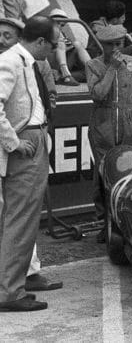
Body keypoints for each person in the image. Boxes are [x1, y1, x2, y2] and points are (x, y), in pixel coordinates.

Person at [0, 16, 59, 312]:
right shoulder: (12, 61)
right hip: (25, 144)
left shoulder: (25, 61)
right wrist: (13, 142)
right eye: (53, 45)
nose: (54, 50)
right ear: (40, 42)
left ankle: (16, 283)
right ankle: (9, 292)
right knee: (20, 219)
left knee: (25, 217)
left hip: (34, 139)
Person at [86, 25, 132, 243]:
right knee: (104, 175)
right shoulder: (93, 64)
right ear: (102, 45)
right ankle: (107, 224)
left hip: (128, 124)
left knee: (131, 171)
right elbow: (98, 94)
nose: (115, 48)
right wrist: (112, 68)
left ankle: (129, 224)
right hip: (102, 125)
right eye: (110, 44)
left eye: (119, 44)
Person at [90, 0, 132, 64]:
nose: (124, 19)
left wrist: (129, 36)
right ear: (115, 20)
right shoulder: (97, 25)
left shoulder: (114, 25)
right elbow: (107, 37)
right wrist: (125, 35)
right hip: (103, 56)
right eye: (123, 17)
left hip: (114, 53)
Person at [47, 9, 94, 86]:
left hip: (61, 67)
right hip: (51, 66)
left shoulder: (62, 34)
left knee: (77, 44)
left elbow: (68, 48)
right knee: (61, 42)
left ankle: (94, 69)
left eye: (62, 25)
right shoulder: (44, 31)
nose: (59, 26)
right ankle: (64, 74)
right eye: (57, 23)